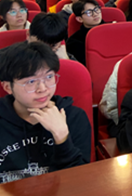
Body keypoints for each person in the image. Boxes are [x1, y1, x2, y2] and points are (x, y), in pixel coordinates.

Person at [0, 41, 91, 183]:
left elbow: (81, 181)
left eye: (49, 77)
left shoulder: (74, 117)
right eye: (30, 81)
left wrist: (62, 137)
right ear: (8, 87)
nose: (43, 88)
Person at [66, 0, 103, 65]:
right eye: (89, 12)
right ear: (79, 19)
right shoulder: (74, 42)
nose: (95, 14)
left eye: (96, 9)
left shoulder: (113, 28)